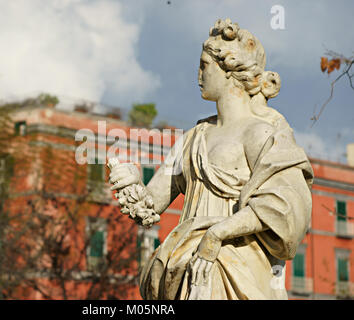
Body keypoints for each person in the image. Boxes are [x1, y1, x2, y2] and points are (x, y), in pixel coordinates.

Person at [108, 18, 313, 300]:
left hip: (235, 266)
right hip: (185, 263)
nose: (199, 74)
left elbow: (281, 205)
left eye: (205, 65)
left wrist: (217, 234)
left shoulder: (261, 134)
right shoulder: (193, 138)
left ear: (229, 70)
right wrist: (130, 182)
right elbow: (150, 207)